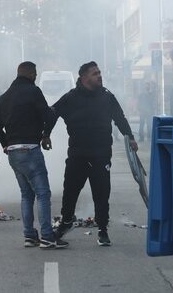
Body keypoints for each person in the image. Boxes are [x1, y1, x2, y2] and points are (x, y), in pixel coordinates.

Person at [43, 61, 138, 246]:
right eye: (95, 73)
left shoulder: (107, 96)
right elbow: (52, 114)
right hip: (78, 154)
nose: (99, 75)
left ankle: (102, 229)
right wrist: (46, 134)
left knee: (101, 193)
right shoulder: (70, 98)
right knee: (70, 191)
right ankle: (66, 222)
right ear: (84, 78)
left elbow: (120, 117)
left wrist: (131, 137)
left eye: (99, 72)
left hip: (101, 154)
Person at [0, 62, 68, 249]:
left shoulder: (4, 97)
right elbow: (48, 117)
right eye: (35, 74)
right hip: (30, 149)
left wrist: (5, 143)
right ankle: (47, 236)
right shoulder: (34, 92)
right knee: (42, 194)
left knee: (26, 194)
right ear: (32, 74)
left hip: (14, 152)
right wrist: (49, 118)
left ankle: (29, 235)